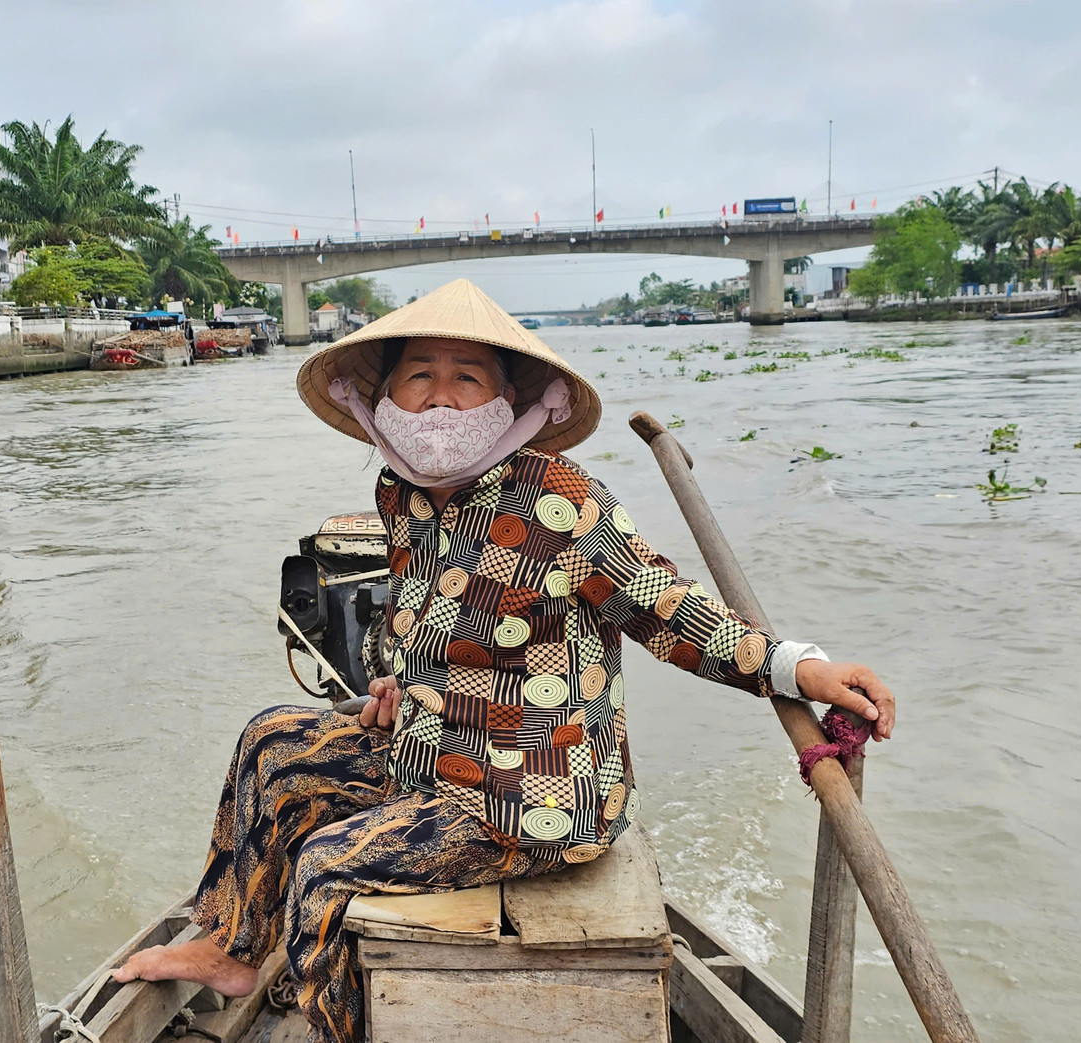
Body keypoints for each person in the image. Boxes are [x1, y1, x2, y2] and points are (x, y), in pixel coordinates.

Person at [114, 279, 897, 1042]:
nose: (441, 399)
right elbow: (426, 616)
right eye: (420, 375)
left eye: (468, 377)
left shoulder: (561, 499)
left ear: (506, 400)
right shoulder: (401, 493)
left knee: (323, 868)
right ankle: (231, 947)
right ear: (386, 397)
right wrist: (401, 682)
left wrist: (800, 667)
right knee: (271, 744)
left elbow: (669, 611)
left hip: (533, 798)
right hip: (430, 753)